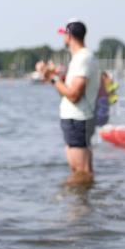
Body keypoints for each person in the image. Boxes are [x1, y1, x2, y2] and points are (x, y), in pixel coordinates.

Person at [36, 20, 100, 182]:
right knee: (78, 172)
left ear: (69, 35)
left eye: (64, 34)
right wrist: (54, 76)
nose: (62, 38)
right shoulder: (80, 57)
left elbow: (73, 95)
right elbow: (72, 90)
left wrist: (52, 78)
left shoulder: (83, 58)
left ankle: (80, 206)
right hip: (76, 118)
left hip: (78, 119)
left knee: (82, 173)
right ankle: (79, 204)